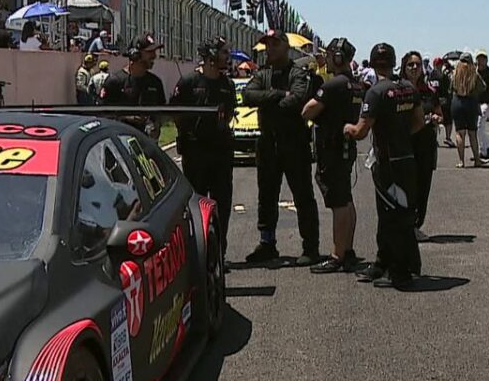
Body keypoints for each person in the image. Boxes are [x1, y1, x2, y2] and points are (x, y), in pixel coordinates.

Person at [346, 43, 425, 289]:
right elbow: (419, 122)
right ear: (394, 63)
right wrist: (400, 135)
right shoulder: (408, 89)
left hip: (387, 162)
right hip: (406, 158)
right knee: (397, 212)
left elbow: (360, 131)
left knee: (393, 215)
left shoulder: (376, 92)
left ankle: (400, 270)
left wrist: (346, 128)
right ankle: (384, 261)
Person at [242, 30, 321, 266]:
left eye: (275, 44)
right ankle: (267, 243)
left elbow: (296, 100)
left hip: (294, 141)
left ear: (286, 47)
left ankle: (310, 247)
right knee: (266, 196)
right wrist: (277, 94)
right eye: (268, 45)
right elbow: (248, 96)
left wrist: (268, 101)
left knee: (303, 196)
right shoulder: (263, 73)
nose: (271, 49)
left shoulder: (298, 72)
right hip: (267, 142)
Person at [302, 38, 365, 274]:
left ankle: (337, 255)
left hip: (332, 148)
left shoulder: (333, 85)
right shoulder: (356, 85)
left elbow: (307, 110)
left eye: (329, 55)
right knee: (346, 199)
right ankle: (347, 250)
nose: (326, 59)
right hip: (346, 148)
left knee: (338, 203)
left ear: (338, 58)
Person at [169, 38, 236, 261]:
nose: (228, 57)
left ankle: (219, 253)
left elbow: (228, 114)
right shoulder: (188, 82)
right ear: (210, 56)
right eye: (224, 52)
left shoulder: (228, 84)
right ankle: (197, 253)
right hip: (195, 153)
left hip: (221, 153)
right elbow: (176, 114)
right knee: (197, 205)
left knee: (222, 205)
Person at [401, 50, 443, 240]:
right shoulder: (398, 90)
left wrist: (435, 118)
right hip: (404, 144)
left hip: (425, 144)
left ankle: (416, 224)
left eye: (417, 65)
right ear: (403, 67)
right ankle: (404, 224)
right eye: (410, 64)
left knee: (423, 185)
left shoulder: (429, 92)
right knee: (405, 185)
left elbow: (440, 114)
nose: (414, 68)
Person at [97, 34, 166, 137]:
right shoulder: (115, 81)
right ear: (135, 55)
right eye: (149, 52)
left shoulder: (155, 83)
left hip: (148, 146)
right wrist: (127, 118)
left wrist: (156, 124)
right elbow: (102, 114)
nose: (154, 56)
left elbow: (160, 111)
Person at [450, 53, 485, 167]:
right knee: (472, 133)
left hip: (457, 102)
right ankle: (477, 160)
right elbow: (483, 87)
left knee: (460, 133)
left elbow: (450, 88)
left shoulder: (454, 73)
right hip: (471, 103)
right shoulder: (474, 74)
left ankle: (461, 161)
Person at [430, 57, 454, 146]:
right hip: (443, 100)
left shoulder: (430, 75)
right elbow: (448, 89)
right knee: (448, 120)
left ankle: (434, 139)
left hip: (433, 100)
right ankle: (448, 138)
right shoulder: (443, 76)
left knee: (434, 120)